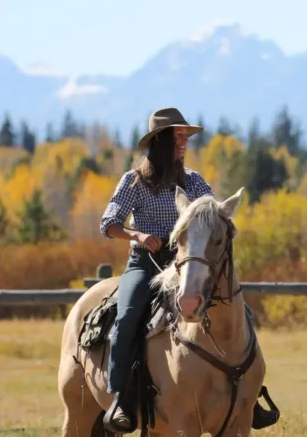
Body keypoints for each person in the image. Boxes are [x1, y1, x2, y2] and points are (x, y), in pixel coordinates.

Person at [98, 108, 214, 432]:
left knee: (227, 307)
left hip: (184, 264)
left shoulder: (193, 181)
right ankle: (120, 398)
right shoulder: (133, 180)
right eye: (178, 137)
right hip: (145, 264)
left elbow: (213, 214)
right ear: (161, 141)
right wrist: (137, 234)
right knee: (127, 317)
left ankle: (244, 388)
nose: (184, 143)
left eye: (185, 137)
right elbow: (108, 224)